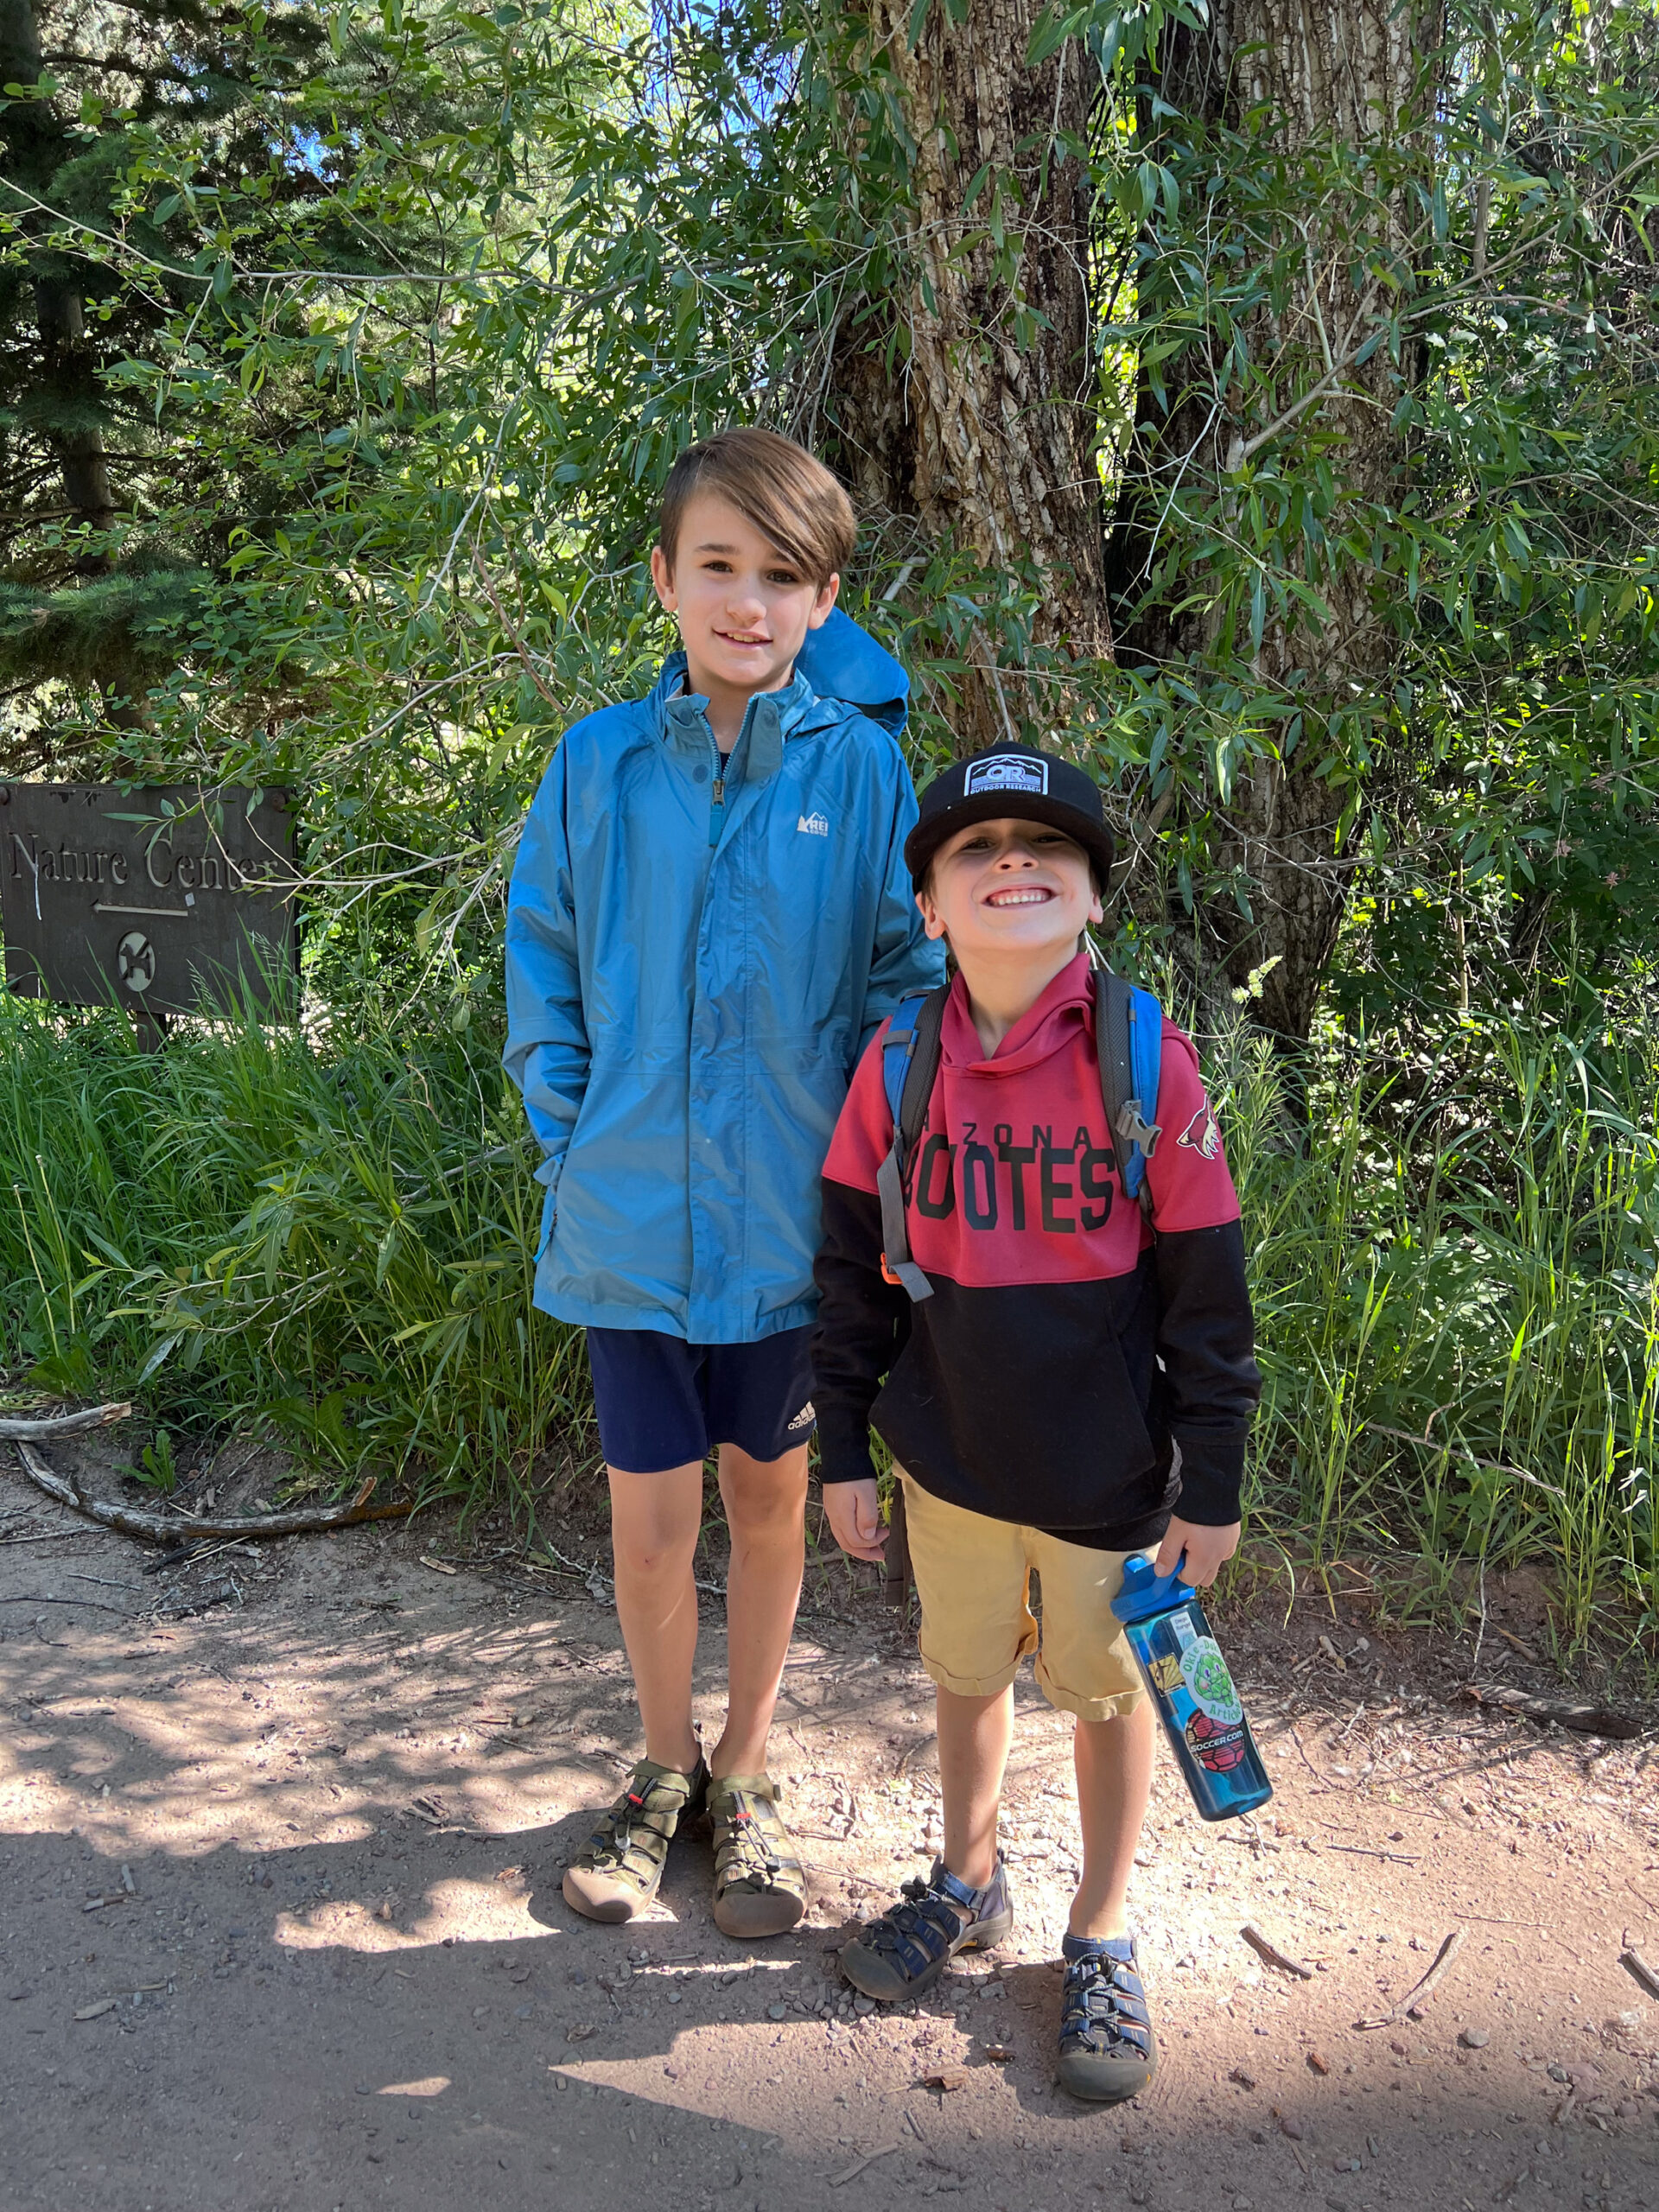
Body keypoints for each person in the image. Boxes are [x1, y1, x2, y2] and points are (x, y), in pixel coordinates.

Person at [504, 426, 943, 1939]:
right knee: (645, 1524)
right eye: (717, 568)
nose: (746, 602)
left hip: (790, 1236)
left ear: (822, 599)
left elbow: (905, 979)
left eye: (781, 576)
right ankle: (659, 1768)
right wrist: (573, 1141)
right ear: (665, 580)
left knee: (770, 1505)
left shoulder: (866, 770)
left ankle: (743, 1775)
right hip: (630, 1221)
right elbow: (545, 964)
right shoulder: (597, 765)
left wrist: (875, 1180)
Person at [810, 744, 1260, 2101]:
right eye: (975, 847)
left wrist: (1213, 1486)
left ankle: (1103, 1926)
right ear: (931, 909)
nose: (1014, 861)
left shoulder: (1146, 1062)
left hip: (1113, 1482)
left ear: (1094, 899)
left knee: (1110, 1694)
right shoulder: (896, 1065)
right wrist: (841, 1449)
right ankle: (969, 1875)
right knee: (963, 1674)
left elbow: (1210, 1303)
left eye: (1048, 847)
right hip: (948, 1467)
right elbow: (846, 1276)